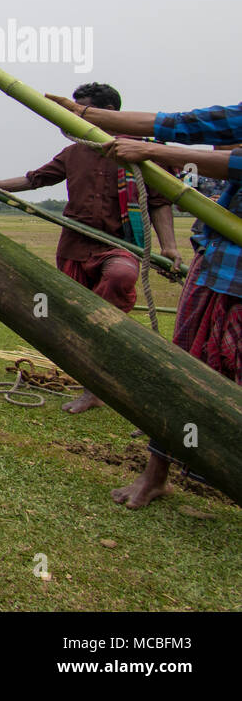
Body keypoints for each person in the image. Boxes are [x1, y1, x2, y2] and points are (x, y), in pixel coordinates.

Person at [44, 94, 241, 508]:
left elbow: (160, 198)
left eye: (87, 107)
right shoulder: (76, 152)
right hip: (219, 266)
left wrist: (150, 151)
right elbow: (185, 122)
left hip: (129, 248)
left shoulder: (145, 157)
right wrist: (83, 117)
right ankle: (157, 472)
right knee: (186, 371)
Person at [0, 82, 182, 413]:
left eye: (80, 111)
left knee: (119, 280)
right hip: (75, 247)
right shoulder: (74, 152)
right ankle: (93, 381)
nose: (71, 117)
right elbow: (34, 180)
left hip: (121, 245)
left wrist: (170, 247)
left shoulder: (139, 152)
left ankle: (96, 387)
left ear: (108, 114)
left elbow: (160, 202)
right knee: (77, 318)